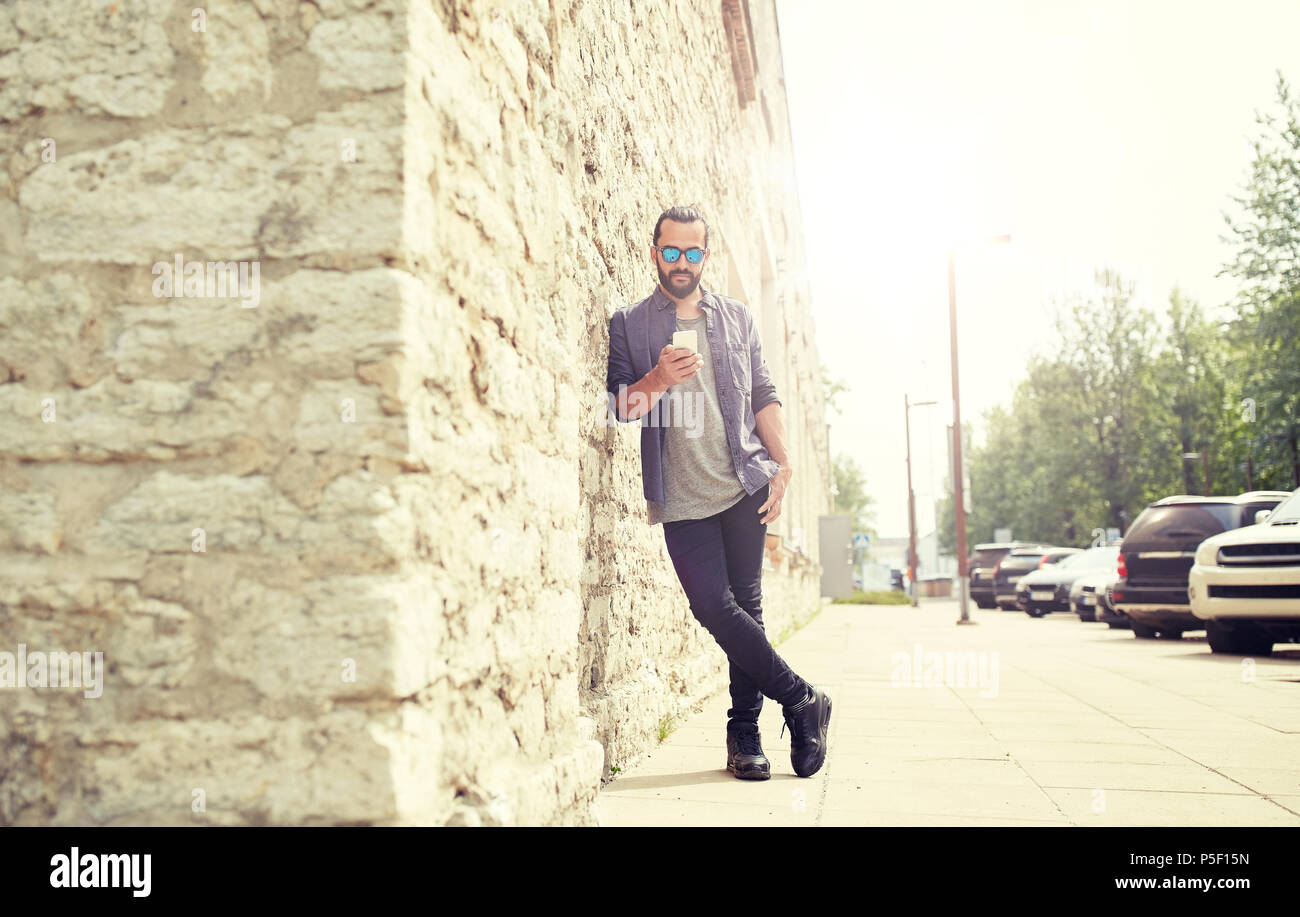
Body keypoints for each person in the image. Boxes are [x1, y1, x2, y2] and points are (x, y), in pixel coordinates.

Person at [604, 205, 832, 780]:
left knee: (747, 608)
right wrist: (658, 379)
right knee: (712, 605)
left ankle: (745, 735)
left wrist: (783, 464)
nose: (683, 262)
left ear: (707, 256)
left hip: (742, 483)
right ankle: (804, 700)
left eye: (694, 252)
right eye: (672, 251)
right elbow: (620, 409)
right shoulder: (630, 325)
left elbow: (763, 392)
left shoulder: (736, 318)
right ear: (654, 251)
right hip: (680, 494)